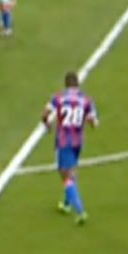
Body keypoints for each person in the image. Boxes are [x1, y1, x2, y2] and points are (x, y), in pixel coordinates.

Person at [42, 72, 98, 225]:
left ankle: (80, 211)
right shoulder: (86, 100)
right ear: (77, 84)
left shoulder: (59, 98)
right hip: (78, 142)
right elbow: (94, 121)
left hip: (64, 141)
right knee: (71, 171)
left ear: (66, 84)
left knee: (66, 175)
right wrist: (89, 121)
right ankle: (67, 204)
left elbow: (46, 113)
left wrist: (46, 123)